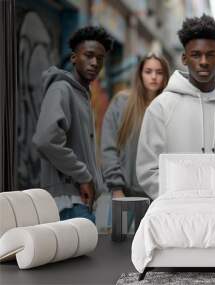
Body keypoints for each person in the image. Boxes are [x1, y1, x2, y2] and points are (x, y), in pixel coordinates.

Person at [136, 14, 215, 199]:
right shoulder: (161, 108)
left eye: (210, 55)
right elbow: (148, 171)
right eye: (196, 55)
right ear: (184, 58)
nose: (203, 61)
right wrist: (183, 202)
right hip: (180, 217)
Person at [33, 26, 114, 222]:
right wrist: (83, 176)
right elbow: (46, 140)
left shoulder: (82, 94)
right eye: (88, 55)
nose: (95, 62)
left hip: (80, 199)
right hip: (66, 201)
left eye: (100, 58)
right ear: (73, 58)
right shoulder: (62, 89)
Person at [101, 54, 170, 199]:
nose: (153, 77)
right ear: (140, 74)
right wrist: (116, 187)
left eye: (159, 72)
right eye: (148, 71)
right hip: (125, 193)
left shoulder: (170, 108)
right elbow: (108, 148)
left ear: (165, 76)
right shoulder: (121, 103)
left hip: (160, 195)